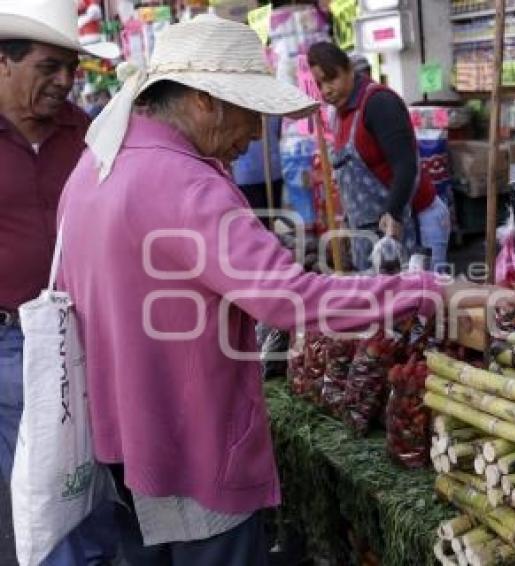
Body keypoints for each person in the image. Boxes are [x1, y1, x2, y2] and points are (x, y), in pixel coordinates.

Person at [59, 15, 490, 564]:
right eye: (250, 112)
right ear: (203, 101)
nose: (253, 135)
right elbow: (295, 301)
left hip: (120, 445)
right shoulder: (188, 185)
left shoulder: (95, 166)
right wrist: (429, 289)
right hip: (193, 450)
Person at [0, 1, 119, 563]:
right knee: (44, 490)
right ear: (4, 63)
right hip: (9, 344)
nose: (65, 81)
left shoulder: (87, 133)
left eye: (70, 68)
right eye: (49, 67)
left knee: (81, 477)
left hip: (84, 334)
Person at [307, 41, 451, 272]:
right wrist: (347, 222)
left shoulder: (379, 103)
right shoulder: (339, 115)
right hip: (371, 232)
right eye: (319, 83)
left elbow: (406, 165)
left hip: (414, 220)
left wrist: (394, 213)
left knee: (423, 300)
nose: (326, 90)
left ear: (349, 69)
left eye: (331, 78)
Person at [230, 115, 284, 215]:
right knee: (259, 221)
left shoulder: (275, 109)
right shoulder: (239, 107)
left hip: (270, 171)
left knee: (268, 219)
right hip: (248, 175)